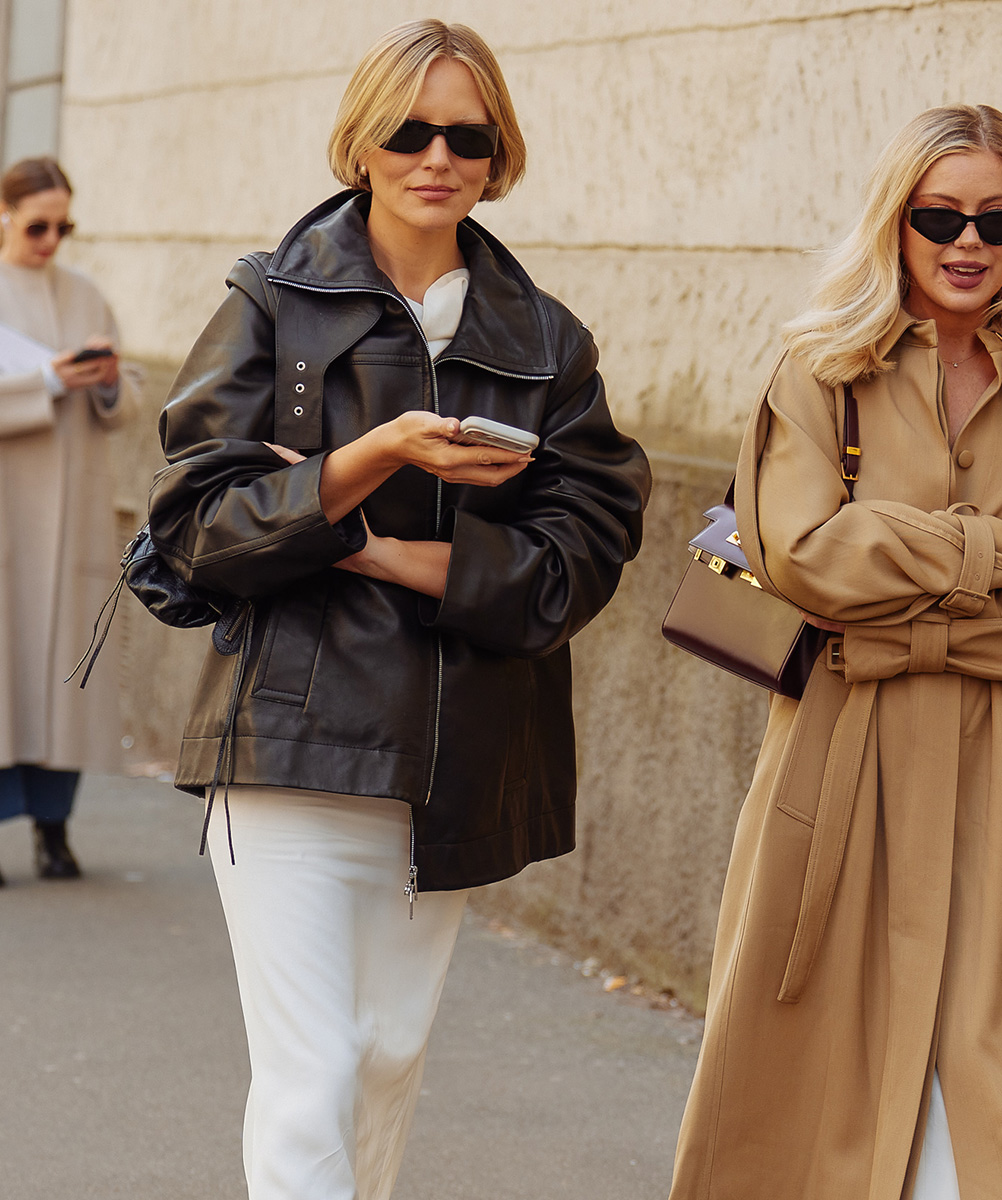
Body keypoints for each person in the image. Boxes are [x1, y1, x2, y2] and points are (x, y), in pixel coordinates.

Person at [147, 19, 650, 1200]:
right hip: (288, 738)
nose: (437, 154)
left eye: (465, 133)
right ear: (362, 144)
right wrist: (372, 453)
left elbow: (573, 566)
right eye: (408, 130)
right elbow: (192, 523)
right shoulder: (274, 301)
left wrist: (366, 548)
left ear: (497, 152)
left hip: (453, 749)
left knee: (383, 1060)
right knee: (312, 1072)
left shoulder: (546, 339)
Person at [668, 105, 1002, 1200]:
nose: (967, 242)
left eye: (997, 217)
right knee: (807, 1096)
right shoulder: (820, 374)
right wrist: (996, 552)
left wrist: (901, 596)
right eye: (939, 216)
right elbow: (804, 555)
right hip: (838, 761)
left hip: (1000, 774)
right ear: (897, 223)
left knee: (985, 1107)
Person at [0, 157, 138, 886]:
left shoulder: (85, 295)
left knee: (63, 681)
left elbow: (130, 399)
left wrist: (109, 381)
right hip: (9, 521)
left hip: (74, 514)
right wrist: (47, 380)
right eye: (38, 225)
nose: (52, 239)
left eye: (64, 225)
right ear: (6, 217)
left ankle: (55, 834)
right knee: (5, 675)